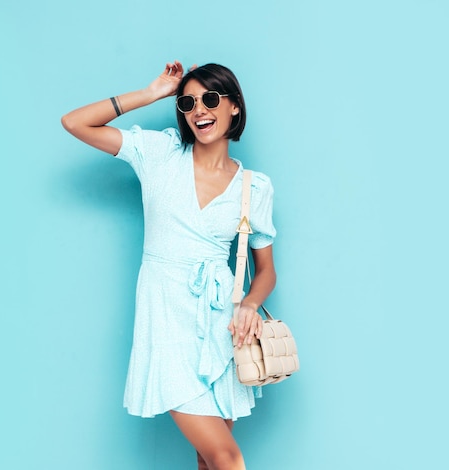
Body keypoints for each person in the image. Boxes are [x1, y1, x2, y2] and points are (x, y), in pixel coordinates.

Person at [61, 61, 277, 470]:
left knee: (209, 460)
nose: (199, 109)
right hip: (166, 322)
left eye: (211, 99)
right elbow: (74, 123)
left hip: (221, 330)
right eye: (188, 102)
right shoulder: (159, 154)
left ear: (234, 107)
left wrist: (249, 304)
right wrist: (151, 93)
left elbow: (266, 270)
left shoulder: (255, 186)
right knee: (227, 458)